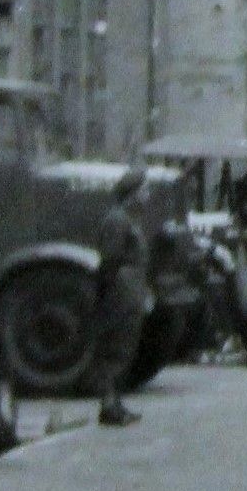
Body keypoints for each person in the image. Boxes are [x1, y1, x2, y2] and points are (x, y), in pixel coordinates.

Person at [89, 167, 152, 427]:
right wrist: (111, 293)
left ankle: (114, 403)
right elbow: (110, 260)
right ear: (133, 194)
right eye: (144, 189)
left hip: (130, 288)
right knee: (115, 348)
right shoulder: (117, 220)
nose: (147, 193)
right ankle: (109, 405)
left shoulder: (127, 219)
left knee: (124, 348)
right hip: (121, 290)